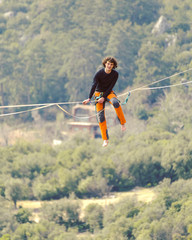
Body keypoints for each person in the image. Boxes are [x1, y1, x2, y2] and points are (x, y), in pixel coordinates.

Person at [83, 56, 126, 147]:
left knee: (115, 103)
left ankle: (122, 123)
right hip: (98, 94)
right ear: (105, 64)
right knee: (101, 117)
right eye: (108, 64)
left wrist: (104, 97)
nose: (109, 65)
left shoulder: (115, 74)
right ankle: (105, 139)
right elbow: (94, 85)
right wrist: (89, 98)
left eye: (111, 64)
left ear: (113, 66)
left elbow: (111, 87)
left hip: (109, 93)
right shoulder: (99, 74)